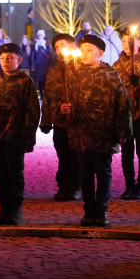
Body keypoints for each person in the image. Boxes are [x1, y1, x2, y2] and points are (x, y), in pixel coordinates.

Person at [61, 34, 132, 227]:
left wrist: (122, 131)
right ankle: (88, 210)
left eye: (89, 50)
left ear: (100, 53)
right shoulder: (74, 74)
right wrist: (66, 110)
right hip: (82, 133)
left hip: (103, 133)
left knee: (103, 172)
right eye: (83, 50)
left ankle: (101, 210)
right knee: (84, 173)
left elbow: (122, 104)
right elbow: (70, 102)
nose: (85, 54)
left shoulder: (110, 74)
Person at [0, 42, 40, 225]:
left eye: (10, 58)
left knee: (14, 174)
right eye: (2, 58)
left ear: (18, 60)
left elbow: (32, 112)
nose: (5, 61)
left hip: (14, 136)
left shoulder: (24, 82)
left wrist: (27, 137)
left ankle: (15, 210)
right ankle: (4, 208)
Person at [112, 28, 140, 200]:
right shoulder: (117, 65)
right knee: (126, 151)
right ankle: (129, 185)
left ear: (139, 43)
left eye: (131, 41)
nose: (127, 45)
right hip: (125, 114)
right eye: (123, 41)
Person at [39, 34, 81, 201]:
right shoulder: (54, 70)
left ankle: (75, 187)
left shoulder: (80, 67)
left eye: (62, 45)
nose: (59, 49)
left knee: (75, 156)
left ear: (72, 46)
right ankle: (63, 187)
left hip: (77, 122)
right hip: (59, 121)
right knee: (63, 155)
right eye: (56, 46)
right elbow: (48, 96)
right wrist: (46, 119)